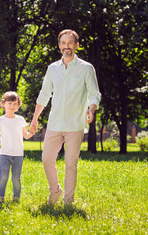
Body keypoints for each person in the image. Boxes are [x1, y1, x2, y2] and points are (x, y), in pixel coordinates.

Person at [30, 29, 101, 205]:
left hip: (75, 124)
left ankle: (68, 201)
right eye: (63, 43)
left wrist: (91, 110)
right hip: (54, 123)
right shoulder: (53, 69)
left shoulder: (86, 68)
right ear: (59, 45)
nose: (66, 46)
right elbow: (44, 94)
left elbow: (94, 94)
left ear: (76, 45)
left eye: (70, 43)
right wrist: (34, 119)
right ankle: (55, 191)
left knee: (71, 164)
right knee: (47, 159)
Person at [0, 91, 34, 203]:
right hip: (5, 154)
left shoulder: (20, 120)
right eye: (10, 103)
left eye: (15, 104)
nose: (12, 106)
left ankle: (16, 198)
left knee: (16, 179)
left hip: (18, 154)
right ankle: (0, 197)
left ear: (18, 105)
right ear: (3, 104)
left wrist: (31, 132)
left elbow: (26, 135)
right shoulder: (0, 120)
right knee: (3, 177)